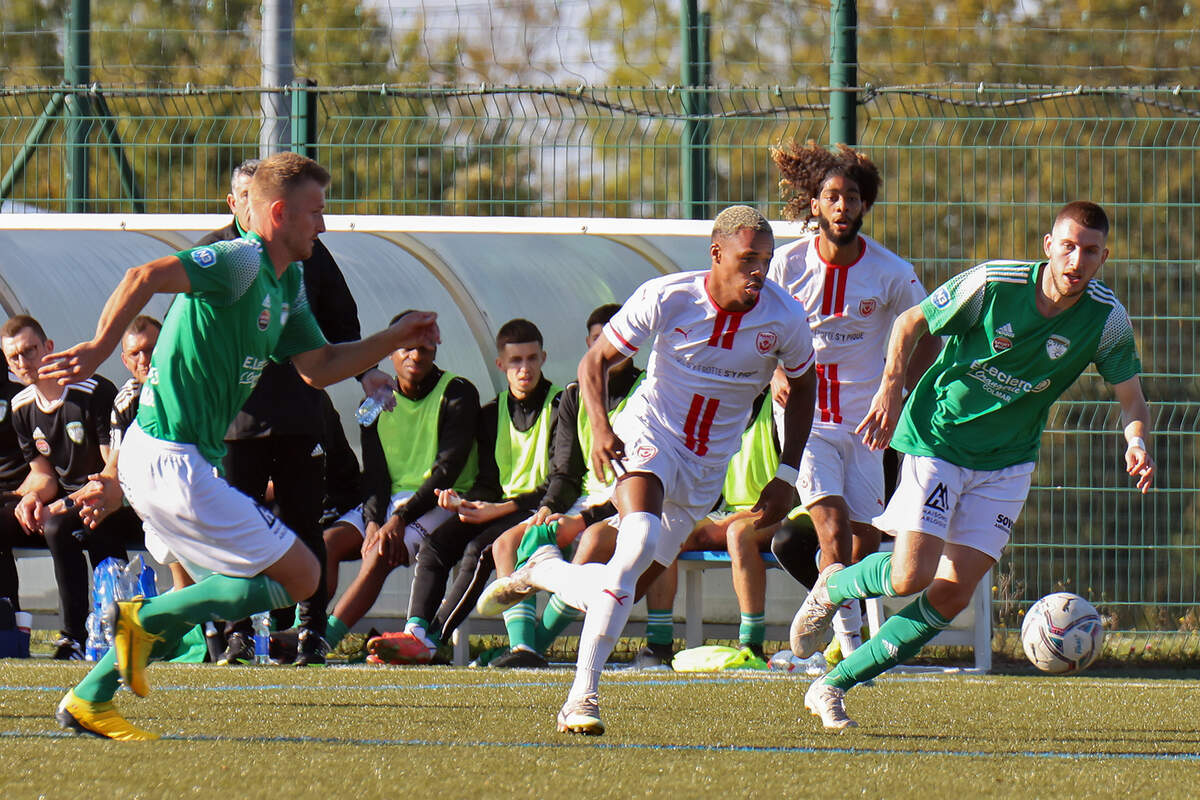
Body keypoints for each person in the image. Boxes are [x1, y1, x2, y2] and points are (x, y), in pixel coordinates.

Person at [46, 151, 439, 740]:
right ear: (279, 213)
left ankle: (91, 693)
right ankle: (146, 620)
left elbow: (319, 365)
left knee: (237, 588)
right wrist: (101, 347)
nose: (323, 225)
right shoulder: (240, 261)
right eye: (315, 213)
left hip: (175, 461)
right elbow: (143, 277)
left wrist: (392, 338)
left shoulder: (289, 284)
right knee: (303, 578)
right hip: (170, 458)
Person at [790, 200, 1155, 730]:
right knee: (910, 574)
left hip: (1008, 463)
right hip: (940, 439)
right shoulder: (994, 283)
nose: (1078, 260)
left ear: (1104, 257)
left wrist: (1137, 441)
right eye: (1069, 246)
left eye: (1091, 251)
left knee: (952, 591)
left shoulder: (1106, 318)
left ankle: (833, 684)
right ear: (1048, 245)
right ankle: (834, 585)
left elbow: (1132, 400)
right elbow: (910, 322)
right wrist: (890, 390)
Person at [477, 205, 817, 735]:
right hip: (648, 437)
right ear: (716, 252)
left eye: (766, 261)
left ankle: (542, 569)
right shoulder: (669, 296)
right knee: (636, 540)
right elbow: (595, 362)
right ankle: (581, 699)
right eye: (748, 257)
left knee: (621, 589)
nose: (758, 270)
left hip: (705, 472)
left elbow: (803, 388)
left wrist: (788, 472)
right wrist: (601, 428)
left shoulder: (784, 317)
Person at [198, 158, 389, 667]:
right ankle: (237, 633)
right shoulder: (215, 255)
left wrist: (366, 370)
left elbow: (339, 324)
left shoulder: (304, 254)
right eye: (243, 193)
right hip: (233, 420)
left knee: (306, 522)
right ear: (236, 202)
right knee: (235, 525)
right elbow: (169, 306)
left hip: (301, 411)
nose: (318, 224)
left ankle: (308, 633)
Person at [768, 141, 941, 660]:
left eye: (853, 197)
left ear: (865, 206)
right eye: (833, 197)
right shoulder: (786, 265)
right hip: (808, 419)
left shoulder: (891, 272)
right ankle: (846, 649)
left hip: (868, 423)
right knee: (833, 530)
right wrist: (776, 369)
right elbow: (760, 325)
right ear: (815, 205)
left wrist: (904, 387)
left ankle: (829, 616)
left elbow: (928, 331)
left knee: (863, 544)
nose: (842, 206)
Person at [367, 319, 561, 664]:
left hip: (545, 508)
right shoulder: (491, 413)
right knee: (436, 545)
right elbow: (488, 480)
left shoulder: (561, 406)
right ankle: (415, 632)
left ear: (543, 358)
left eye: (531, 359)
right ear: (501, 364)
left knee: (479, 549)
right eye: (515, 361)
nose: (524, 369)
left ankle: (433, 641)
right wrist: (468, 502)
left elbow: (559, 482)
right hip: (502, 508)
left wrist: (494, 509)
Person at [485, 303, 641, 669]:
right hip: (585, 501)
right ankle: (523, 648)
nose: (610, 348)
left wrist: (586, 519)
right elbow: (566, 471)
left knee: (591, 541)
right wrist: (550, 506)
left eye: (617, 340)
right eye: (599, 340)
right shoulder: (575, 393)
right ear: (589, 343)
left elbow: (641, 474)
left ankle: (534, 646)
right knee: (507, 542)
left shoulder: (646, 391)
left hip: (628, 503)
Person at [319, 324, 480, 652]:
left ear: (436, 349)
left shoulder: (458, 392)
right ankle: (304, 629)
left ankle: (324, 642)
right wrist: (375, 519)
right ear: (390, 352)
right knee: (325, 545)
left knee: (380, 553)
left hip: (438, 500)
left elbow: (447, 471)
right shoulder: (373, 401)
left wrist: (400, 519)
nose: (415, 355)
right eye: (405, 348)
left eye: (423, 348)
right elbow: (375, 472)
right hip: (391, 502)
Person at [2, 315, 141, 660]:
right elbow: (44, 475)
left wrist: (59, 506)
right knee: (7, 519)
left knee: (61, 525)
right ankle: (8, 627)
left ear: (48, 347)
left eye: (29, 351)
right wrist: (29, 497)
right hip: (68, 505)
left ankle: (77, 635)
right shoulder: (22, 406)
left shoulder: (94, 392)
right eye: (13, 357)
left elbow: (112, 474)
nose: (23, 362)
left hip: (111, 503)